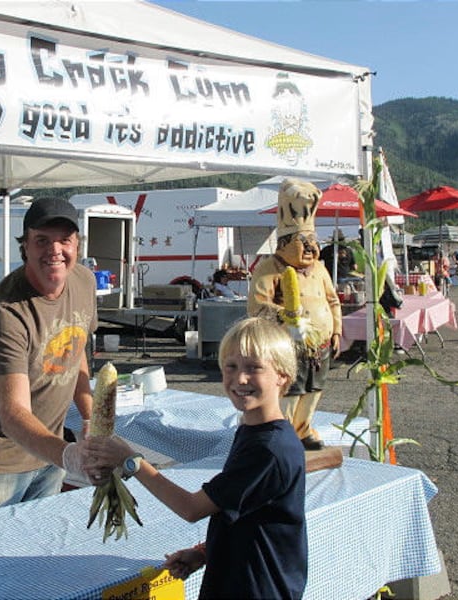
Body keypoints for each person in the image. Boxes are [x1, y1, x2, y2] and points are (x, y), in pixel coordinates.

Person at [85, 317, 306, 599]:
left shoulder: (268, 449)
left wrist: (132, 461)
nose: (240, 378)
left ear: (282, 376)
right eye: (231, 366)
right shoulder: (255, 430)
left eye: (254, 368)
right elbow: (244, 512)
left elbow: (191, 508)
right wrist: (203, 552)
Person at [0, 197, 99, 516]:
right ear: (25, 247)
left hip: (51, 449)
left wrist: (91, 418)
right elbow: (13, 413)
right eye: (42, 240)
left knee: (31, 548)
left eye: (64, 240)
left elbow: (77, 353)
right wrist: (70, 456)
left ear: (78, 244)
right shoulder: (6, 310)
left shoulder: (84, 281)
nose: (54, 250)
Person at [247, 179, 342, 451]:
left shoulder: (321, 269)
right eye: (304, 242)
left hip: (320, 344)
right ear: (285, 243)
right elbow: (257, 305)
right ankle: (283, 430)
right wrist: (288, 316)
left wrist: (336, 331)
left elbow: (333, 301)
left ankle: (303, 429)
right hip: (287, 343)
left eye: (313, 241)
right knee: (290, 388)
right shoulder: (270, 267)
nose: (311, 247)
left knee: (315, 389)